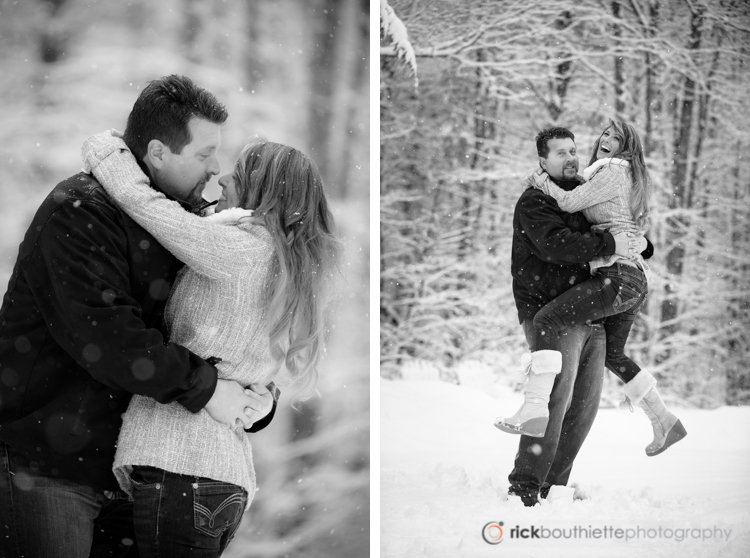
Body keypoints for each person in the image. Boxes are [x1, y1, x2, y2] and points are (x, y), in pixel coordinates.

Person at [0, 75, 274, 558]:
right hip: (45, 465)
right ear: (158, 152)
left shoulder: (185, 224)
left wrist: (257, 396)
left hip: (135, 473)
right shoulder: (80, 212)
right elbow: (108, 339)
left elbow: (224, 327)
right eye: (204, 153)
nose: (217, 169)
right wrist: (209, 389)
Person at [81, 127, 340, 556]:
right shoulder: (279, 264)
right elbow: (252, 367)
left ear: (261, 191)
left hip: (182, 471)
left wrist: (107, 148)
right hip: (212, 480)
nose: (221, 180)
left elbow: (148, 208)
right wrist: (262, 401)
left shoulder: (243, 249)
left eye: (236, 174)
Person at [496, 121, 686, 457]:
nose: (606, 141)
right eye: (605, 135)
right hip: (624, 281)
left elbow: (576, 208)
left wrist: (543, 183)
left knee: (549, 326)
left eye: (572, 150)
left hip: (616, 278)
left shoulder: (610, 172)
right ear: (544, 159)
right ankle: (663, 419)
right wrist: (636, 243)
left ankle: (535, 407)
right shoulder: (560, 193)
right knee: (610, 359)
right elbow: (575, 235)